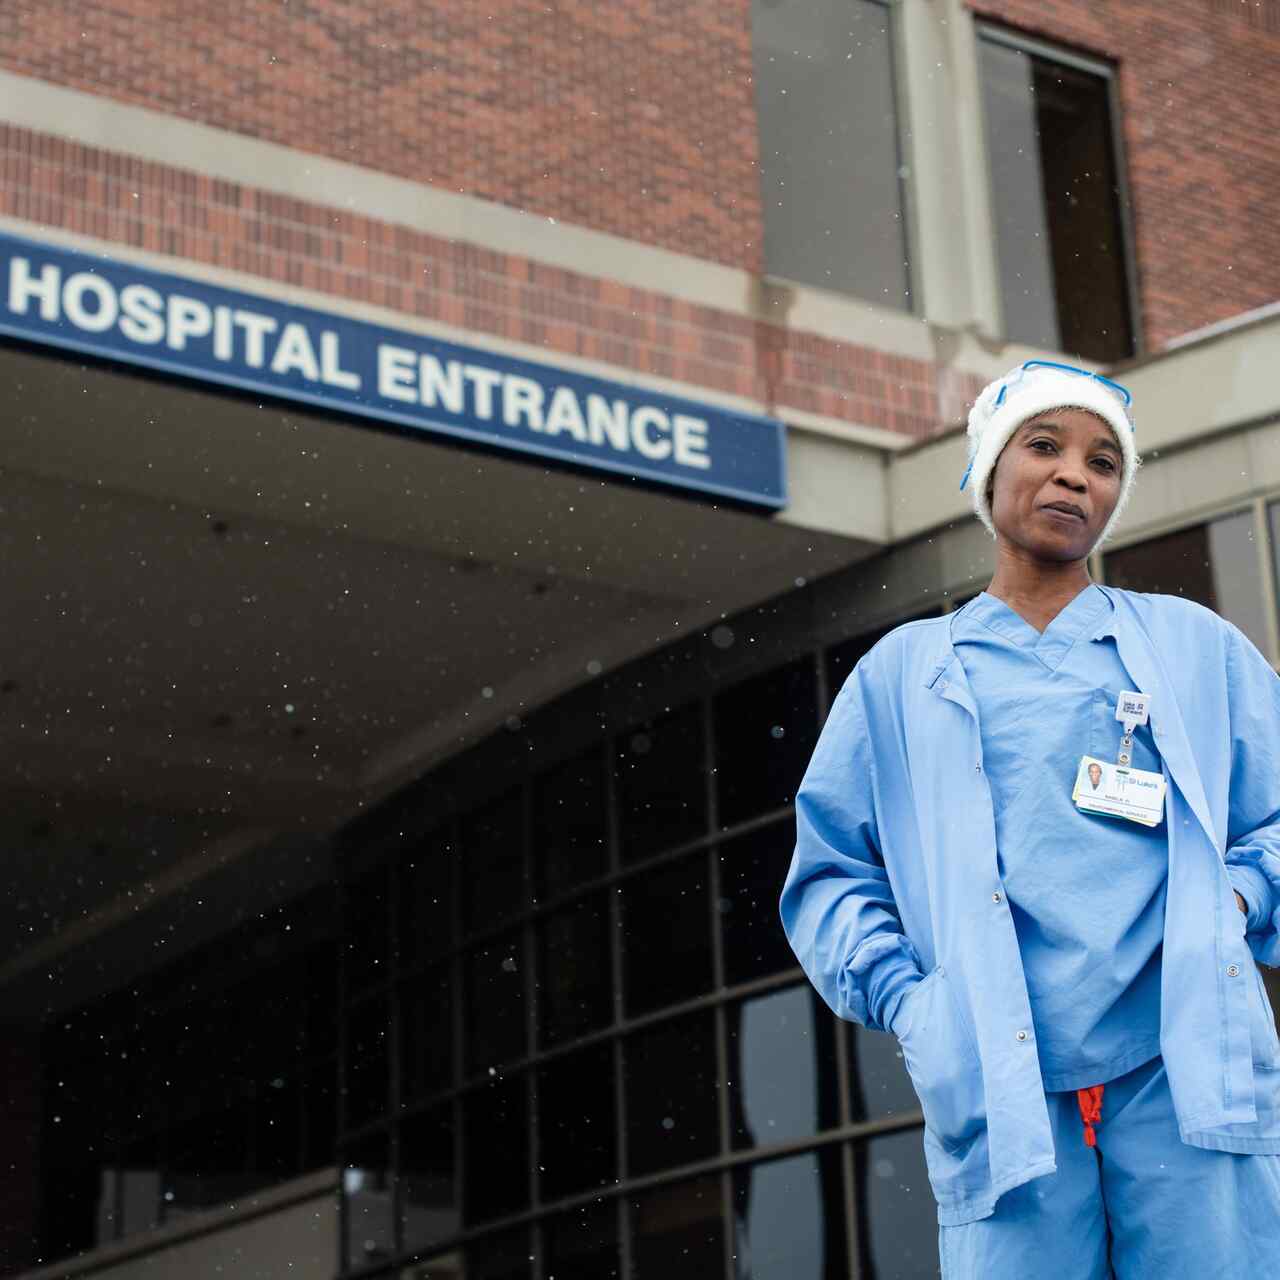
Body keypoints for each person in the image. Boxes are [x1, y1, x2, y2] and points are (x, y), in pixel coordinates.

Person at [779, 360, 1280, 1277]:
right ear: (984, 466)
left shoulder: (1191, 647)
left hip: (1181, 1071)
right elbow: (832, 876)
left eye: (1103, 462)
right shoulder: (902, 676)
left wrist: (1238, 901)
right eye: (1043, 446)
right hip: (998, 1085)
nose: (1074, 476)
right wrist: (908, 1000)